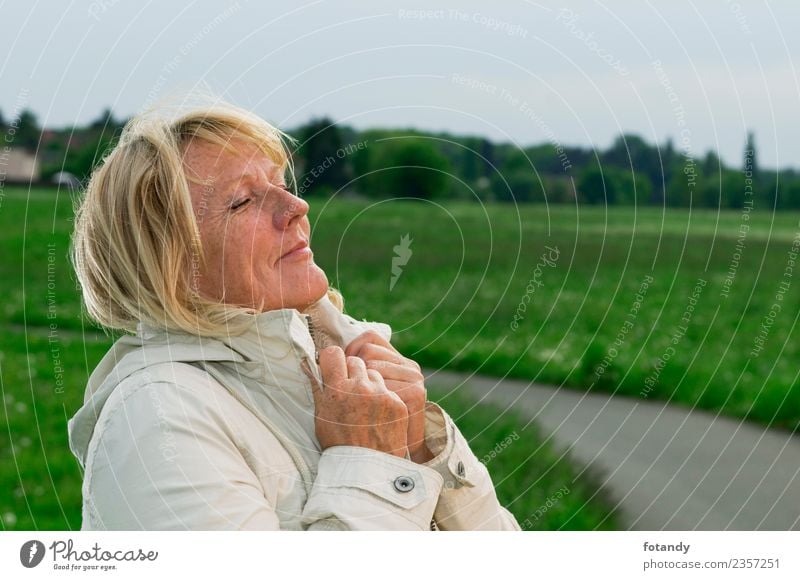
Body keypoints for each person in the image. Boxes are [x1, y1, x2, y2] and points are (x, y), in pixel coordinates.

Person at [66, 99, 521, 531]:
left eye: (281, 185)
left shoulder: (334, 364)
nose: (296, 207)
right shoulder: (156, 418)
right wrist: (373, 465)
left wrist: (422, 451)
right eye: (242, 201)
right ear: (166, 262)